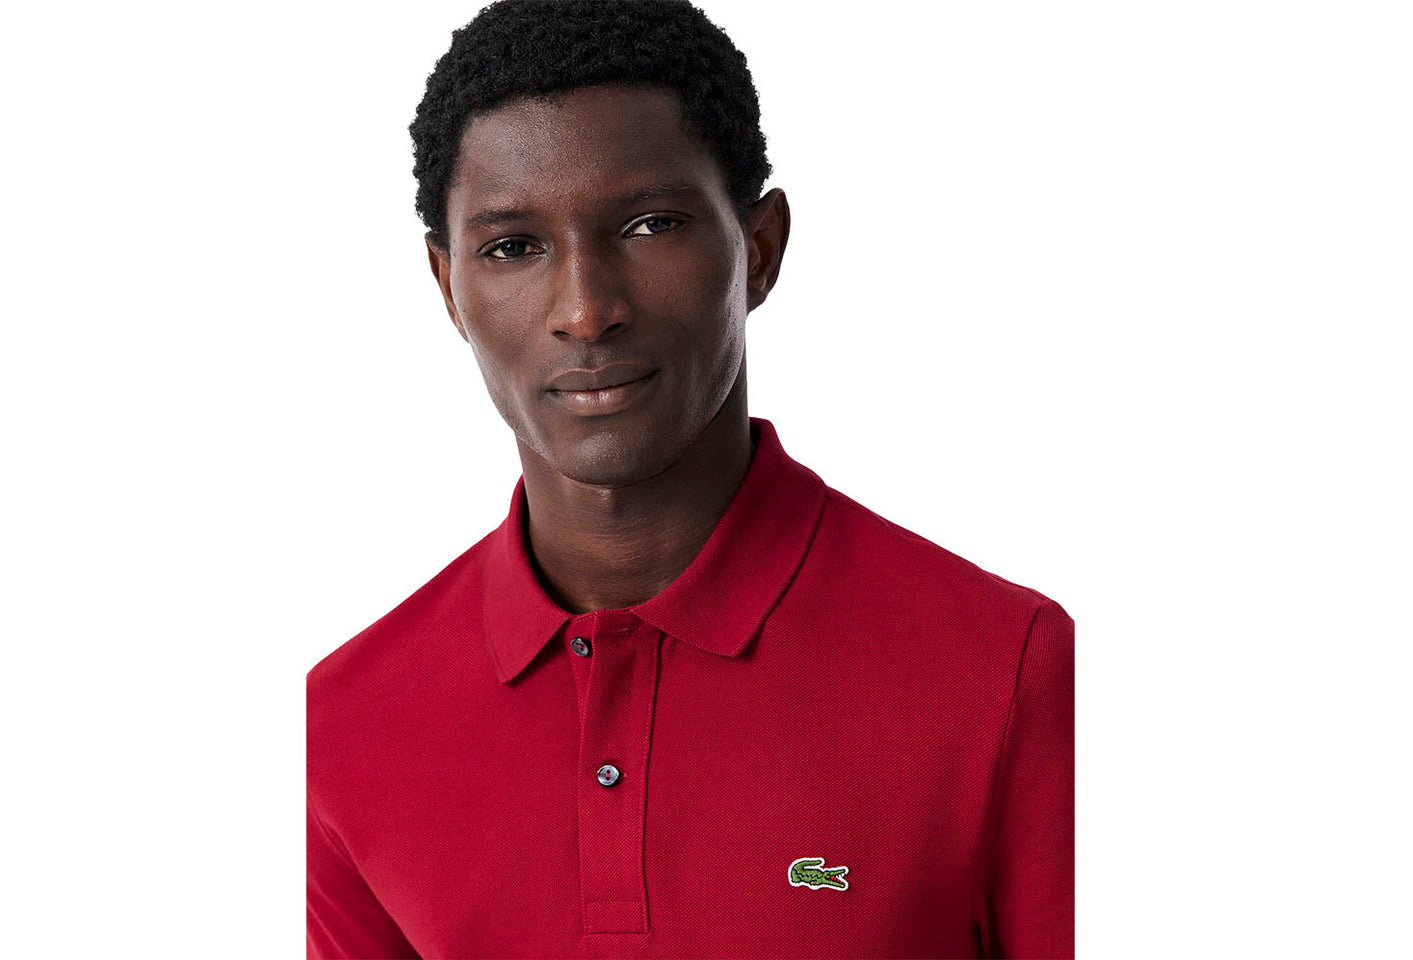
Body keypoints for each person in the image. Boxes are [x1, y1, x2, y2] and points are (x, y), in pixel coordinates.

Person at [306, 1, 1074, 957]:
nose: (585, 310)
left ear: (760, 250)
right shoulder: (339, 725)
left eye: (648, 224)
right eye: (512, 247)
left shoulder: (1007, 671)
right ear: (448, 288)